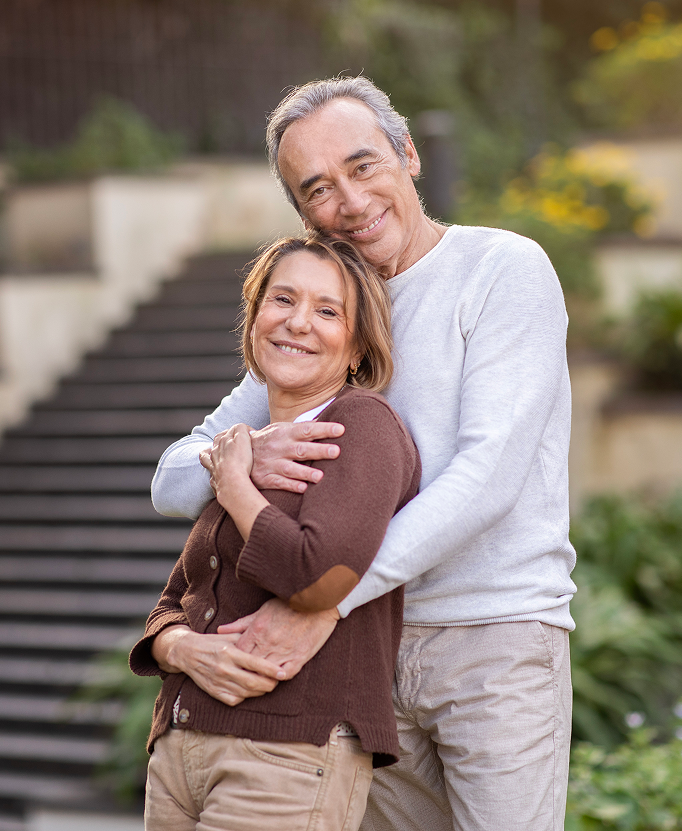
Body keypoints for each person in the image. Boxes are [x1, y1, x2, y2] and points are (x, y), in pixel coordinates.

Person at [151, 76, 576, 831]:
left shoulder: (501, 269)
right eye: (317, 188)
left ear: (408, 153)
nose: (349, 201)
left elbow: (487, 478)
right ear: (302, 213)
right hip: (364, 658)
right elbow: (172, 480)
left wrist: (327, 599)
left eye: (363, 165)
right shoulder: (324, 322)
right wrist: (247, 454)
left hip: (493, 637)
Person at [130, 235, 421, 831]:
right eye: (282, 299)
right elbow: (177, 599)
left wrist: (234, 482)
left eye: (327, 311)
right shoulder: (248, 441)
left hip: (286, 754)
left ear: (358, 346)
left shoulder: (361, 426)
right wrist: (177, 647)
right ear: (255, 316)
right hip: (180, 751)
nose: (298, 322)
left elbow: (319, 580)